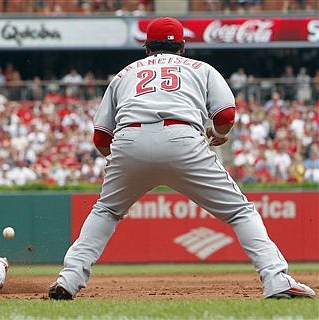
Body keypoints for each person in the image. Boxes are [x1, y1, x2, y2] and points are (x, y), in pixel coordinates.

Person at [48, 17, 316, 300]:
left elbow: (102, 138)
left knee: (106, 211)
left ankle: (69, 278)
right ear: (182, 47)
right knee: (240, 212)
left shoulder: (124, 74)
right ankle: (275, 279)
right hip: (182, 137)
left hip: (128, 138)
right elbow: (225, 115)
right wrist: (217, 133)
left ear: (146, 47)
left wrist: (127, 161)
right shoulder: (201, 68)